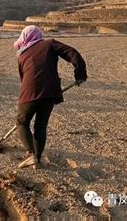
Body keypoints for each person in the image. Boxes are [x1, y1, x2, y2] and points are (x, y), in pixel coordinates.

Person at [14, 25, 87, 169]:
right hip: (49, 93)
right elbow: (72, 53)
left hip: (29, 92)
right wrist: (80, 74)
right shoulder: (50, 44)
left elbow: (23, 78)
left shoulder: (22, 55)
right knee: (40, 126)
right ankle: (37, 159)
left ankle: (30, 155)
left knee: (21, 122)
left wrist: (28, 94)